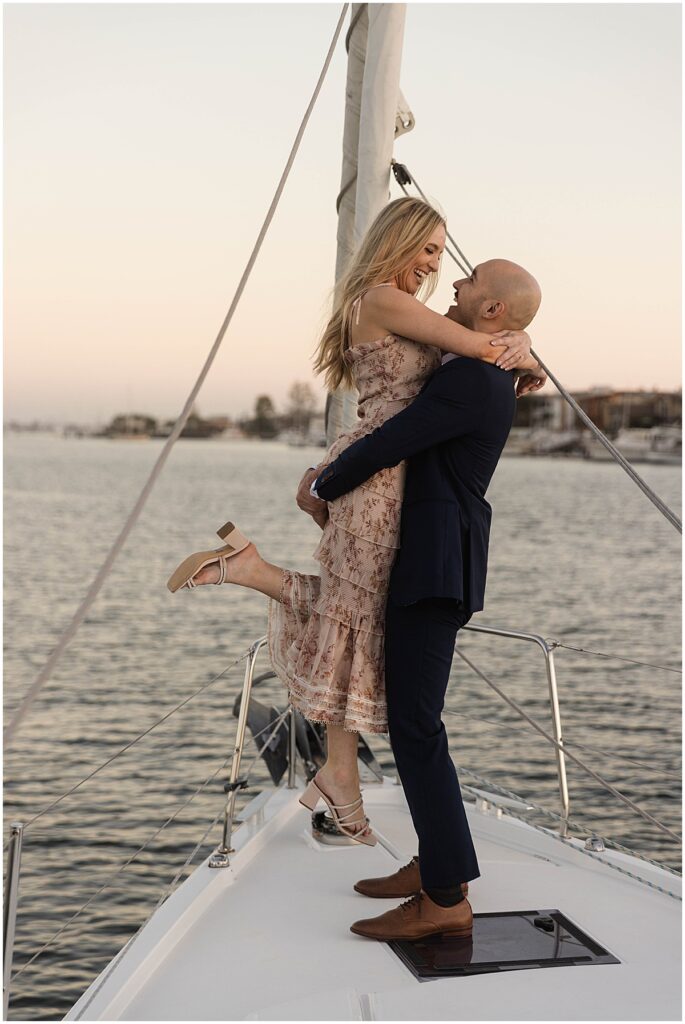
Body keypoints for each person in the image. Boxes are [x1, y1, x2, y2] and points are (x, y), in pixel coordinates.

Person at [166, 197, 545, 846]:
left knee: (356, 615)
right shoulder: (381, 299)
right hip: (374, 476)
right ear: (395, 242)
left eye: (441, 253)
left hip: (387, 473)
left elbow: (483, 348)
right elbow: (479, 344)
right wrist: (518, 343)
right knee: (353, 617)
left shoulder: (406, 311)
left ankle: (334, 763)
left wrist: (522, 345)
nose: (437, 264)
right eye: (427, 248)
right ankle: (253, 580)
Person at [302, 257, 542, 941]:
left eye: (468, 285)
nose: (455, 287)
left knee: (415, 726)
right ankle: (437, 865)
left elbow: (393, 440)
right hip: (438, 561)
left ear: (491, 310)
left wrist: (321, 485)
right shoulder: (475, 365)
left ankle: (443, 899)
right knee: (416, 724)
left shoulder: (470, 376)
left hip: (434, 567)